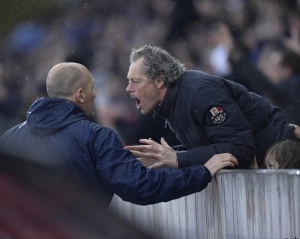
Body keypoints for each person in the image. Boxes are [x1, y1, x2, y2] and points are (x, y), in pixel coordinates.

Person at [0, 62, 238, 207]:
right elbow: (140, 186)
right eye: (93, 88)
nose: (96, 95)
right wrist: (203, 172)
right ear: (80, 95)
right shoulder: (96, 137)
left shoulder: (9, 139)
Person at [124, 45, 300, 169]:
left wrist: (178, 158)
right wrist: (161, 157)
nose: (128, 88)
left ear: (159, 81)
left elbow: (240, 148)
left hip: (283, 159)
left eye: (136, 81)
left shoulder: (199, 94)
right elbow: (213, 146)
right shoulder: (174, 102)